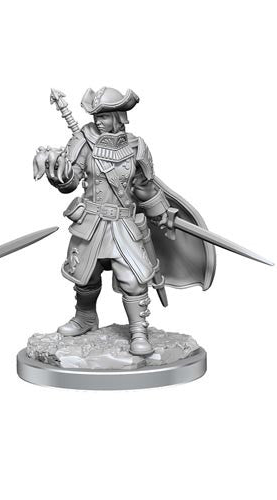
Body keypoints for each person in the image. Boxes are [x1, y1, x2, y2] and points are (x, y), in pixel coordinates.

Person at [33, 87, 215, 356]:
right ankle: (85, 317)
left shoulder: (136, 147)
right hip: (91, 223)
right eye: (96, 116)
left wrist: (162, 213)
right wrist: (58, 170)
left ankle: (139, 330)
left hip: (123, 225)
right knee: (85, 275)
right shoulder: (82, 141)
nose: (98, 121)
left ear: (119, 116)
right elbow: (70, 182)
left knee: (133, 279)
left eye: (104, 116)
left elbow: (144, 187)